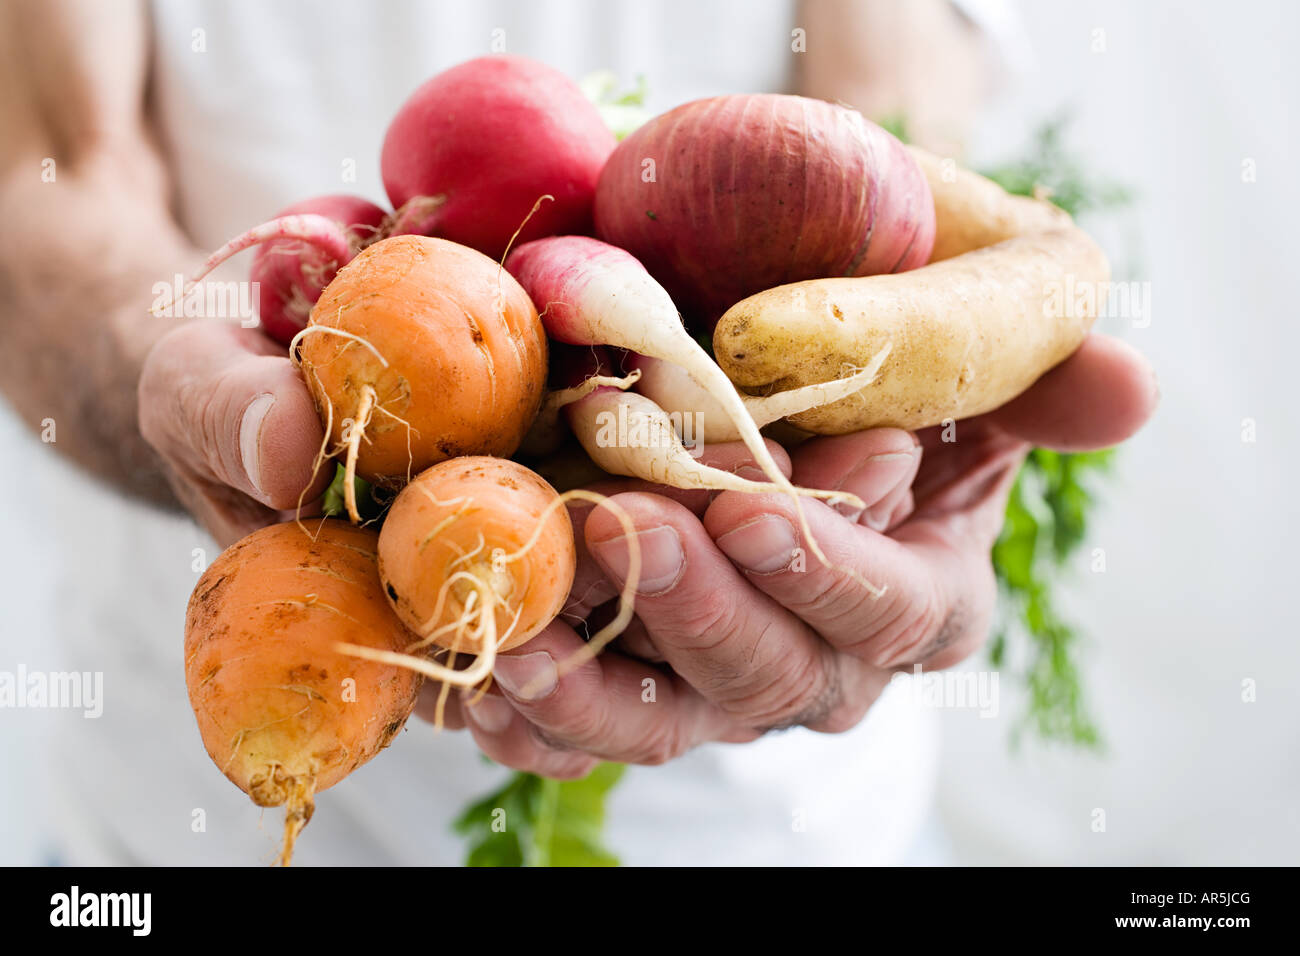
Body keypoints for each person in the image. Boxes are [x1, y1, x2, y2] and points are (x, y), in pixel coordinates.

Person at [0, 0, 1156, 865]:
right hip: (157, 836)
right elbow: (52, 169)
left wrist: (892, 385)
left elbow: (879, 139)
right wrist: (173, 377)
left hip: (801, 835)